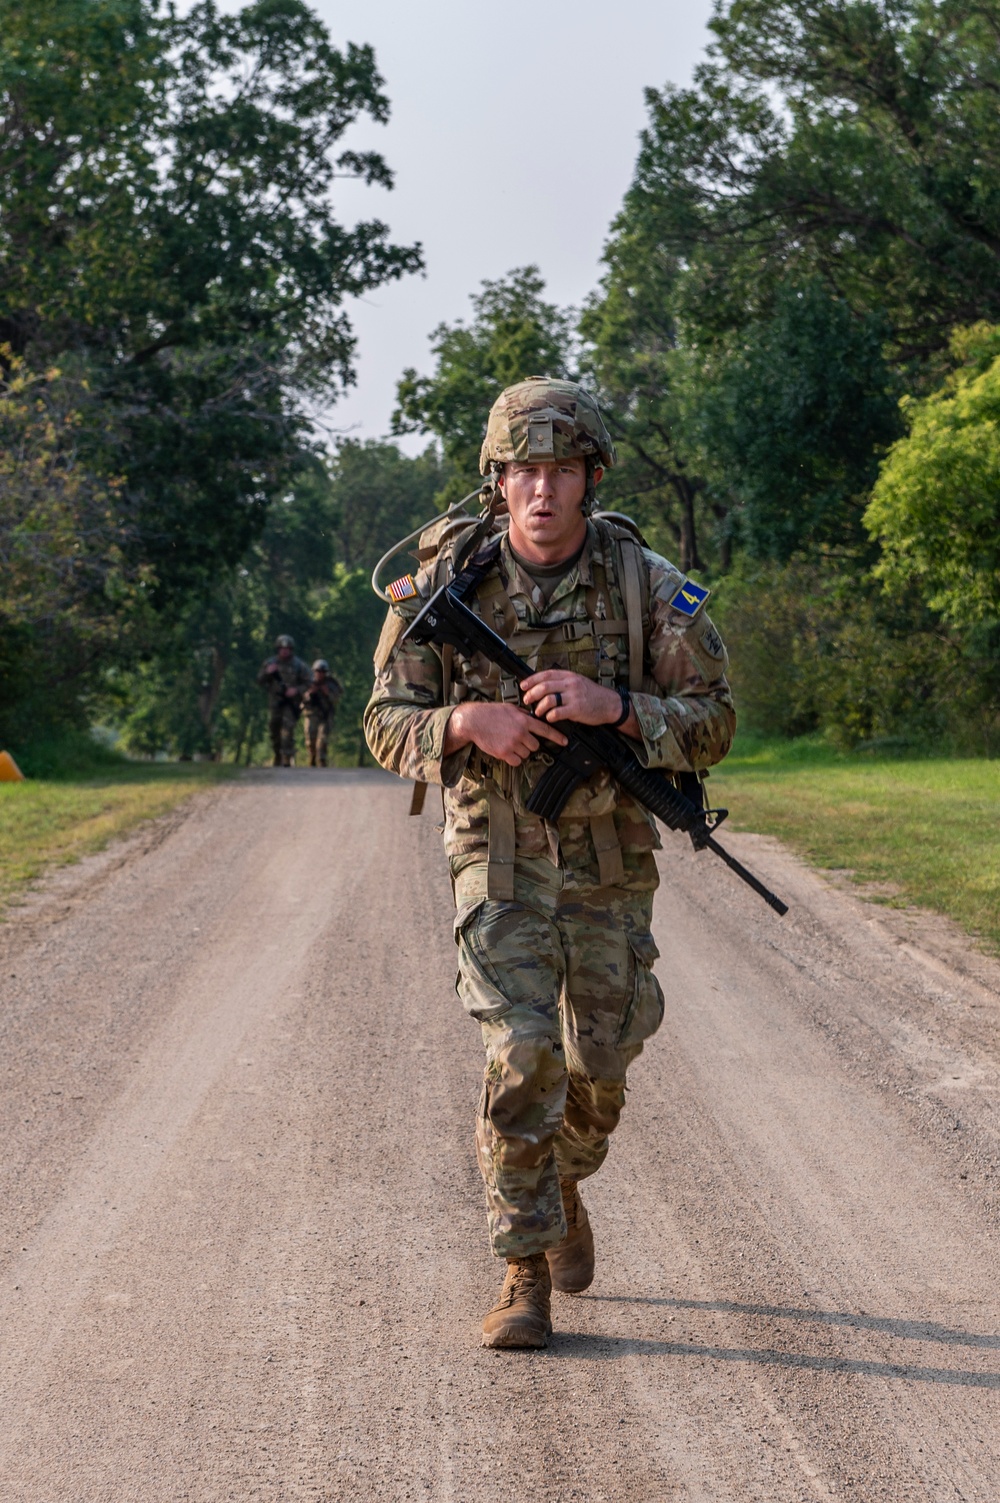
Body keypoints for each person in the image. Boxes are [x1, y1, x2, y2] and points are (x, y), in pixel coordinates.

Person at [364, 378, 735, 1350]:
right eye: (523, 468)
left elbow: (716, 721)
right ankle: (521, 1270)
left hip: (611, 858)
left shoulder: (643, 584)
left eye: (560, 468)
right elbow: (382, 721)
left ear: (589, 476)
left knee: (599, 1065)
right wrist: (461, 721)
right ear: (497, 481)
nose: (541, 488)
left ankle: (561, 1187)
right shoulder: (441, 589)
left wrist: (618, 709)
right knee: (520, 1052)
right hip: (499, 856)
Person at [257, 634, 311, 766]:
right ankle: (277, 754)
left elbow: (309, 681)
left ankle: (287, 756)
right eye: (282, 648)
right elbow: (260, 680)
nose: (284, 650)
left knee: (288, 728)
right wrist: (267, 673)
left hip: (291, 703)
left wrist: (296, 690)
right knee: (274, 728)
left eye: (287, 648)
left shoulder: (299, 665)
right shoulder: (270, 663)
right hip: (275, 702)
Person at [302, 659, 343, 767]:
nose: (320, 674)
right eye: (318, 671)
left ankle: (322, 759)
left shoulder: (331, 683)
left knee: (323, 738)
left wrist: (327, 693)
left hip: (325, 715)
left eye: (322, 672)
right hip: (311, 714)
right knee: (310, 738)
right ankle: (312, 758)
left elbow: (336, 698)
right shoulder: (308, 682)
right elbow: (300, 698)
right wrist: (309, 694)